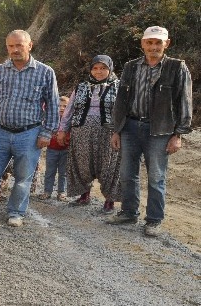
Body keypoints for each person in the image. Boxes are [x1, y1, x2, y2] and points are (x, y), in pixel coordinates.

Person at [0, 30, 59, 227]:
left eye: (19, 45)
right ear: (6, 47)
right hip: (0, 131)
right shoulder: (0, 71)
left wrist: (47, 132)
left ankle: (16, 212)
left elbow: (52, 104)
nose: (15, 50)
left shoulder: (45, 72)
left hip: (29, 133)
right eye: (11, 46)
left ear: (30, 46)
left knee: (23, 177)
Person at [106, 26, 193, 237]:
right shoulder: (131, 67)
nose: (153, 47)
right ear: (142, 44)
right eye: (149, 42)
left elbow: (184, 102)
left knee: (156, 177)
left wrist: (178, 134)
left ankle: (154, 220)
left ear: (167, 43)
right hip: (130, 127)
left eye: (158, 42)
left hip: (160, 131)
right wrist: (116, 130)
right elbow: (121, 101)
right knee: (127, 174)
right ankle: (129, 212)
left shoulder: (176, 68)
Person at [57, 55, 121, 213]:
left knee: (108, 166)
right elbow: (70, 109)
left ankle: (109, 200)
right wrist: (63, 129)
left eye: (103, 68)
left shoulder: (119, 86)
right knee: (82, 164)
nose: (98, 72)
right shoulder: (81, 86)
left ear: (110, 68)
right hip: (81, 132)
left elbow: (123, 111)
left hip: (108, 133)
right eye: (95, 68)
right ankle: (84, 195)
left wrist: (120, 131)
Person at [38, 96, 70, 201]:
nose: (61, 108)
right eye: (59, 106)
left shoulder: (69, 121)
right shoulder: (52, 120)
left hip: (65, 150)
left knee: (63, 173)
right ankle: (47, 191)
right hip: (52, 149)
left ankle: (61, 192)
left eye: (65, 106)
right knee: (50, 171)